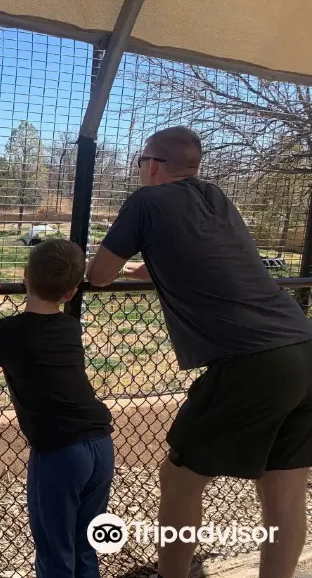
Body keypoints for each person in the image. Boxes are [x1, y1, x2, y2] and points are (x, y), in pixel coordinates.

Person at [86, 126, 312, 578]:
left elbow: (98, 275)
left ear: (151, 165)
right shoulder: (217, 199)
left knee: (179, 480)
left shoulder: (145, 201)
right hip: (303, 345)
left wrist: (119, 267)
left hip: (251, 360)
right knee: (285, 492)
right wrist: (149, 270)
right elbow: (208, 260)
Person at [0, 239, 114, 578]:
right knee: (85, 546)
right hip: (101, 444)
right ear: (72, 293)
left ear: (25, 275)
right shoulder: (70, 327)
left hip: (60, 452)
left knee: (55, 551)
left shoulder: (9, 331)